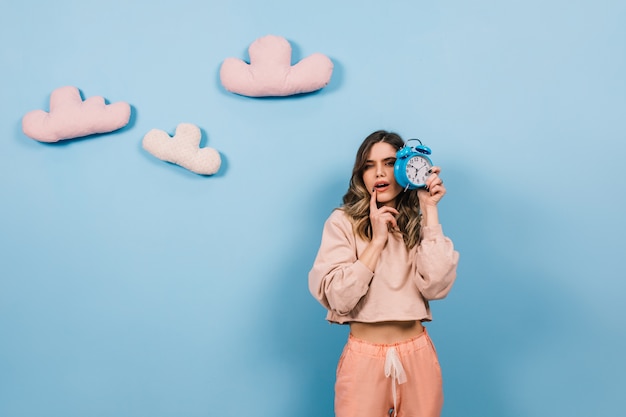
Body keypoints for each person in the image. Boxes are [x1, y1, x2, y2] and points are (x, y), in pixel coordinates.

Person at [308, 130, 459, 417]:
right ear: (360, 174)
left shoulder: (416, 224)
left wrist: (429, 212)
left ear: (406, 167)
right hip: (363, 359)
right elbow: (339, 298)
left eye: (389, 163)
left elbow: (436, 287)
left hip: (418, 357)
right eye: (369, 165)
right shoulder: (342, 222)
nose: (379, 173)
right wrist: (376, 241)